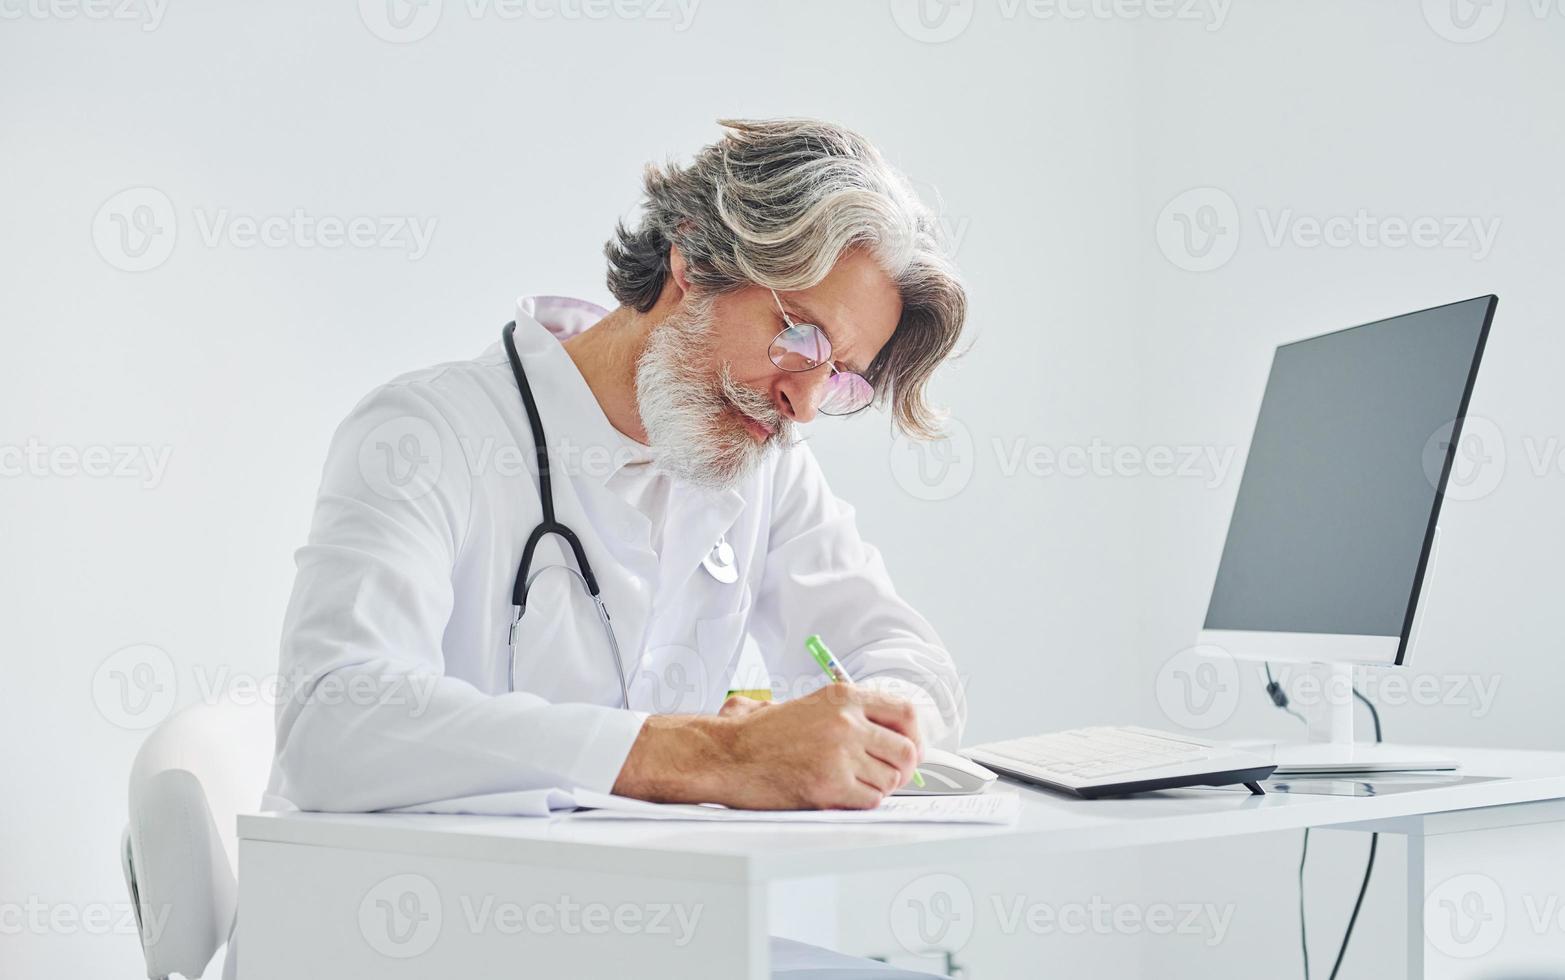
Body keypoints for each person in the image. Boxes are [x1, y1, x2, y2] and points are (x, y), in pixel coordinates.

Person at [264, 118, 969, 815]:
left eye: (842, 376)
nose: (804, 405)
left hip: (646, 904)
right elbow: (334, 724)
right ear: (691, 260)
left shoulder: (764, 459)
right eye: (799, 335)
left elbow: (907, 660)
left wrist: (856, 731)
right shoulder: (427, 433)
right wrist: (715, 754)